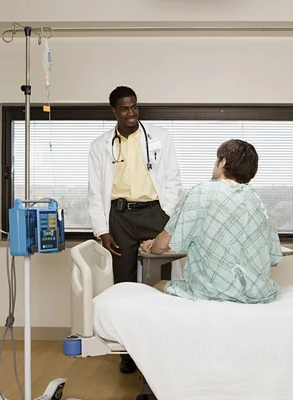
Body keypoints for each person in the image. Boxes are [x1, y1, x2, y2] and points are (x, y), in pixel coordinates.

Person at [87, 85, 182, 373]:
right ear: (114, 111)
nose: (131, 113)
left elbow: (173, 179)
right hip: (120, 217)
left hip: (155, 212)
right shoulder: (100, 145)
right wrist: (102, 230)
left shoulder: (159, 137)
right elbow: (94, 191)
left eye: (134, 107)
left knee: (162, 278)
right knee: (124, 283)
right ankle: (128, 353)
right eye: (125, 109)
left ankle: (165, 344)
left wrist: (167, 216)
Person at [140, 139, 283, 304]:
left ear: (222, 162)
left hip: (215, 291)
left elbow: (163, 245)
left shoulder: (201, 192)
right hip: (257, 293)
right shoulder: (257, 201)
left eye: (217, 160)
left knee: (159, 285)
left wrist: (151, 246)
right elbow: (272, 256)